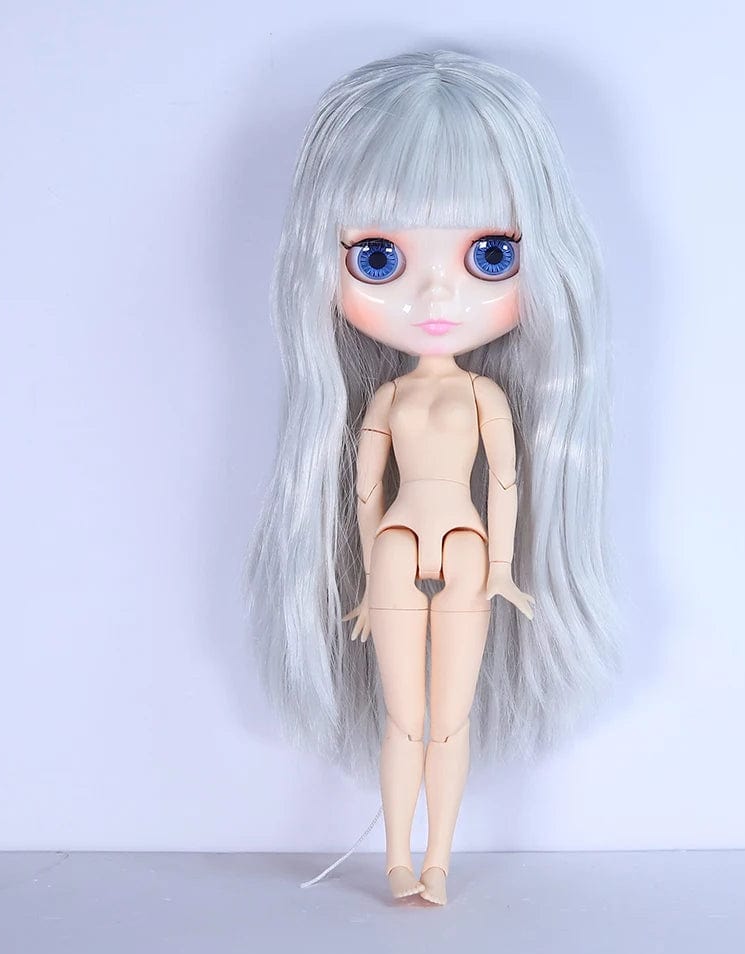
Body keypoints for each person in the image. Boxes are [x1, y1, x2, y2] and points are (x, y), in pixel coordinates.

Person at [245, 49, 619, 905]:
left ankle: (438, 859)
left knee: (449, 720)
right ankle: (395, 860)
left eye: (490, 254)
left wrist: (506, 569)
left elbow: (509, 484)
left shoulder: (488, 394)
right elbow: (364, 491)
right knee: (404, 718)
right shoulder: (384, 398)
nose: (437, 295)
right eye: (380, 259)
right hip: (396, 547)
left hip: (466, 546)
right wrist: (356, 582)